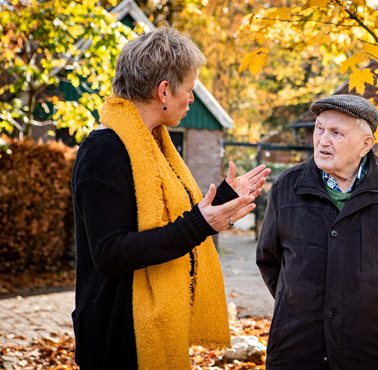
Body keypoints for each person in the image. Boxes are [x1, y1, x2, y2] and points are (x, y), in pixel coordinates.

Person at [71, 26, 270, 370]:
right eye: (190, 89)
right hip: (117, 335)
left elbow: (170, 215)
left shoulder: (153, 145)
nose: (191, 99)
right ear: (164, 91)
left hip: (143, 325)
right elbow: (110, 252)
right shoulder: (105, 150)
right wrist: (199, 225)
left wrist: (223, 200)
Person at [256, 94, 378, 369]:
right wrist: (298, 301)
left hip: (372, 349)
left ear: (366, 144)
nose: (323, 140)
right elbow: (269, 260)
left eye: (336, 133)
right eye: (319, 129)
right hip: (297, 347)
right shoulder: (286, 187)